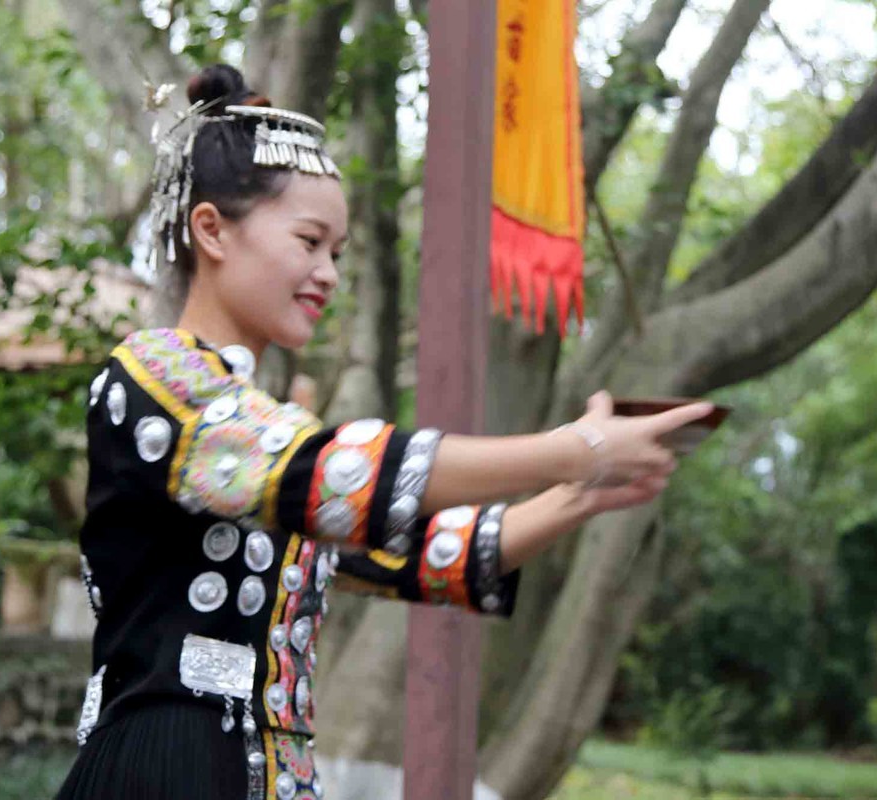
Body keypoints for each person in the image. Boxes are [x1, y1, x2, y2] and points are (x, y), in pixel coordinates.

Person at [56, 64, 713, 800]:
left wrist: (583, 491)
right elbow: (325, 472)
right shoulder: (154, 376)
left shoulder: (268, 434)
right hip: (162, 769)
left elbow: (435, 557)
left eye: (336, 252)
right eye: (308, 241)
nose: (328, 273)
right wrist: (574, 450)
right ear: (211, 230)